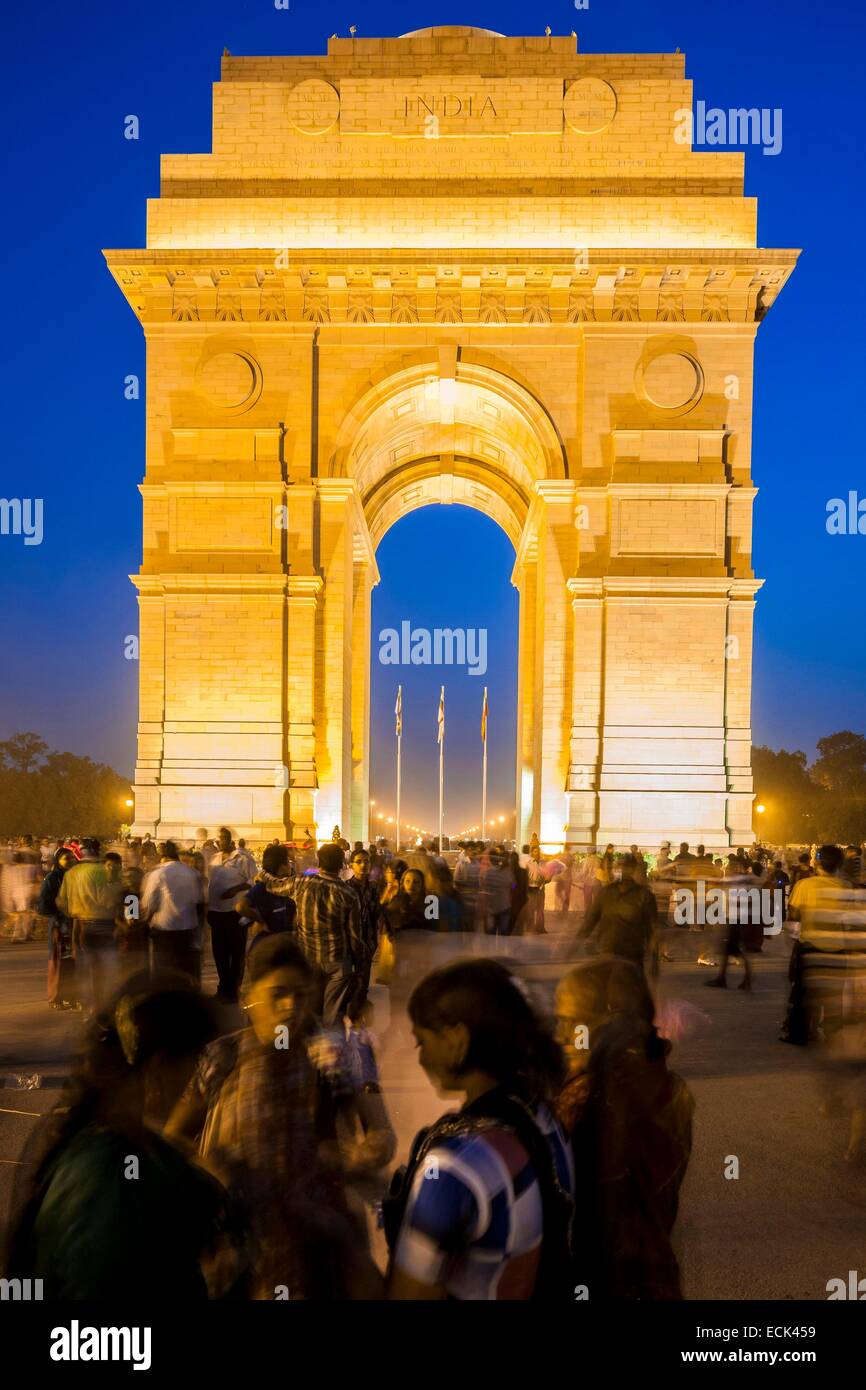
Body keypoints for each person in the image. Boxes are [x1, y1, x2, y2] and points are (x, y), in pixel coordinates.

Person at [167, 935, 392, 1299]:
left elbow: (381, 1133)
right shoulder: (222, 1057)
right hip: (240, 1245)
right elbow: (173, 1137)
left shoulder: (332, 1055)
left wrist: (363, 1154)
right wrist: (216, 1174)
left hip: (317, 1243)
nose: (291, 1007)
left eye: (301, 995)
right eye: (278, 994)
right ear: (249, 999)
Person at [3, 972, 244, 1299]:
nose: (193, 1084)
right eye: (192, 1065)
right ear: (158, 1071)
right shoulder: (111, 1180)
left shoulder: (109, 1140)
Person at [385, 959, 574, 1300]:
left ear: (457, 1040)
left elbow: (408, 1294)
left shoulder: (453, 1164)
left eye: (422, 1042)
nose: (420, 1057)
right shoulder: (544, 1118)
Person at [554, 957, 693, 1300]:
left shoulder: (586, 1100)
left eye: (570, 1022)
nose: (559, 1035)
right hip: (655, 1279)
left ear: (612, 1027)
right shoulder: (671, 1087)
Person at [257, 843, 364, 1027]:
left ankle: (310, 1049)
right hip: (337, 961)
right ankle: (331, 1048)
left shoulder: (301, 883)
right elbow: (355, 935)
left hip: (308, 957)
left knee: (309, 1012)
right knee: (332, 1016)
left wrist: (263, 873)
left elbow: (272, 885)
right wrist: (359, 966)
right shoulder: (349, 893)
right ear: (341, 865)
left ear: (319, 862)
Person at [56, 838, 124, 1012]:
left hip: (80, 925)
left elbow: (61, 902)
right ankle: (106, 1007)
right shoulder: (103, 871)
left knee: (85, 969)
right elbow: (107, 900)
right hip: (104, 925)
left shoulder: (71, 873)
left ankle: (89, 1008)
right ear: (98, 850)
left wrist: (75, 911)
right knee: (108, 970)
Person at [578, 853, 660, 979]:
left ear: (633, 869)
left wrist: (654, 960)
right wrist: (575, 944)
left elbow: (652, 930)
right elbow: (590, 921)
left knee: (630, 992)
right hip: (608, 953)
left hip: (632, 955)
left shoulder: (645, 896)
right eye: (622, 866)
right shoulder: (605, 893)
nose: (624, 870)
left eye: (628, 867)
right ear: (618, 868)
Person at [141, 840, 206, 983]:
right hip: (187, 929)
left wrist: (144, 921)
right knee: (185, 972)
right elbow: (198, 901)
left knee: (164, 973)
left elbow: (149, 903)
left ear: (163, 854)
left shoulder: (158, 873)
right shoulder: (191, 873)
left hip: (164, 929)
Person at [207, 827, 257, 1003]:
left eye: (223, 838)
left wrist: (235, 889)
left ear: (230, 840)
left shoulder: (242, 859)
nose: (220, 842)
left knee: (236, 954)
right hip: (217, 912)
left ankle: (234, 989)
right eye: (218, 839)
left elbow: (253, 881)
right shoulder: (214, 859)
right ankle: (224, 988)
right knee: (219, 953)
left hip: (235, 913)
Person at [342, 847, 381, 1022]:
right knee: (351, 985)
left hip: (368, 943)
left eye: (366, 861)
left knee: (363, 985)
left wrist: (374, 942)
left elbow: (377, 915)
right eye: (359, 862)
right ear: (351, 865)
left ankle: (358, 1024)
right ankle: (352, 1018)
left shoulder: (374, 888)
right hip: (350, 945)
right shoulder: (346, 888)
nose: (363, 865)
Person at [236, 843, 297, 948]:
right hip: (268, 945)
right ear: (281, 867)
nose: (290, 866)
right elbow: (241, 907)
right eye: (288, 862)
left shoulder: (288, 886)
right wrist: (260, 921)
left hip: (285, 944)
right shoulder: (262, 887)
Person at [39, 847, 78, 1010]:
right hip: (59, 925)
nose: (70, 861)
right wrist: (59, 914)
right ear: (58, 861)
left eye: (71, 858)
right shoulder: (52, 878)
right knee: (58, 961)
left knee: (72, 962)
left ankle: (71, 996)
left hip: (75, 923)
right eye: (65, 858)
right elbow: (43, 905)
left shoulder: (77, 877)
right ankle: (56, 998)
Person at [480, 848, 513, 936]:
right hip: (504, 905)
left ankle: (492, 950)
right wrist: (510, 889)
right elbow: (513, 885)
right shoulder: (507, 871)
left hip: (491, 907)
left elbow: (483, 887)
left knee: (490, 935)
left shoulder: (487, 873)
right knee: (504, 935)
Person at [509, 849, 529, 935]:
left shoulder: (510, 870)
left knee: (512, 916)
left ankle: (512, 931)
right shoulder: (523, 871)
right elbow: (525, 885)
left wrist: (513, 888)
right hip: (521, 897)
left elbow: (513, 885)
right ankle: (518, 932)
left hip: (513, 897)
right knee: (519, 916)